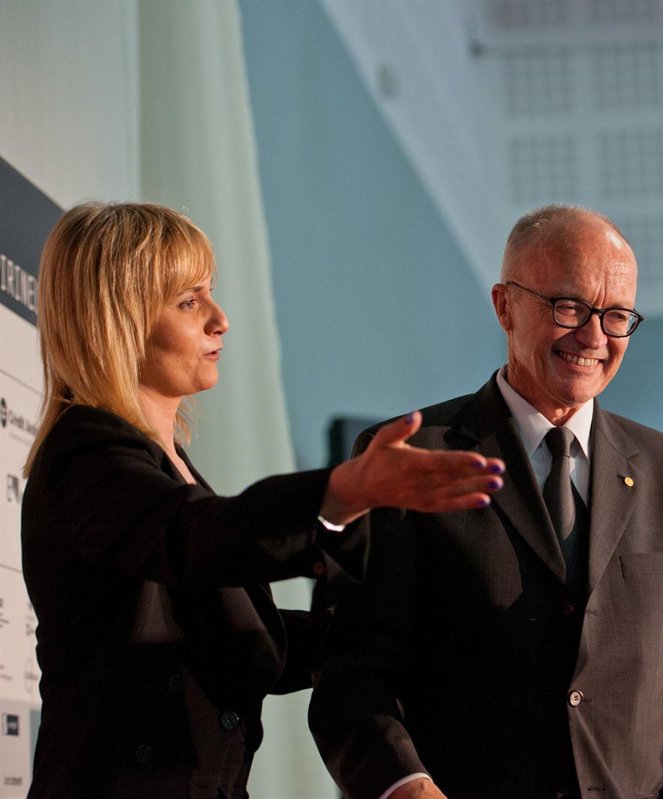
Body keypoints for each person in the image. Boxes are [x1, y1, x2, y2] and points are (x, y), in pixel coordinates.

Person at [20, 201, 505, 798]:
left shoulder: (170, 470)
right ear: (117, 320)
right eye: (189, 301)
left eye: (211, 293)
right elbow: (195, 538)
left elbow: (246, 640)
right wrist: (343, 491)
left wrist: (413, 634)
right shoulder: (86, 455)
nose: (220, 319)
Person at [309, 205, 663, 799]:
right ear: (504, 306)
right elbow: (352, 673)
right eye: (569, 307)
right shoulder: (408, 459)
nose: (594, 337)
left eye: (617, 316)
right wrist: (406, 785)